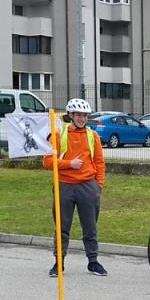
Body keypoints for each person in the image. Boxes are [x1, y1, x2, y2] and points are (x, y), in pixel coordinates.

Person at [43, 98, 107, 277]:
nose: (82, 118)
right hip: (64, 186)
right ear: (70, 115)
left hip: (88, 186)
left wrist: (98, 186)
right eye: (78, 115)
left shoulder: (92, 136)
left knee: (90, 227)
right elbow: (47, 162)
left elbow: (99, 162)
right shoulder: (58, 135)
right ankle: (59, 263)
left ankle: (93, 262)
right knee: (62, 227)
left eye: (85, 115)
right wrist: (69, 164)